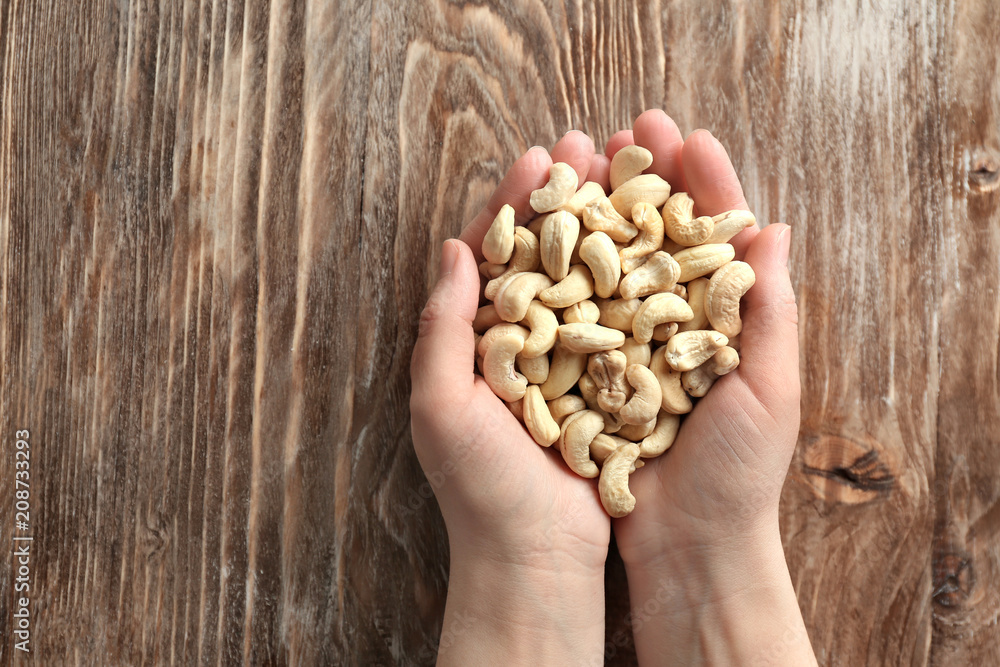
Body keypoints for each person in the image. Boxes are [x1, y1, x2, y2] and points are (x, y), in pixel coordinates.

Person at [409, 109, 818, 666]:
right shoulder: (585, 330)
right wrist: (713, 551)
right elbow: (540, 323)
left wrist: (522, 563)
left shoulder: (633, 331)